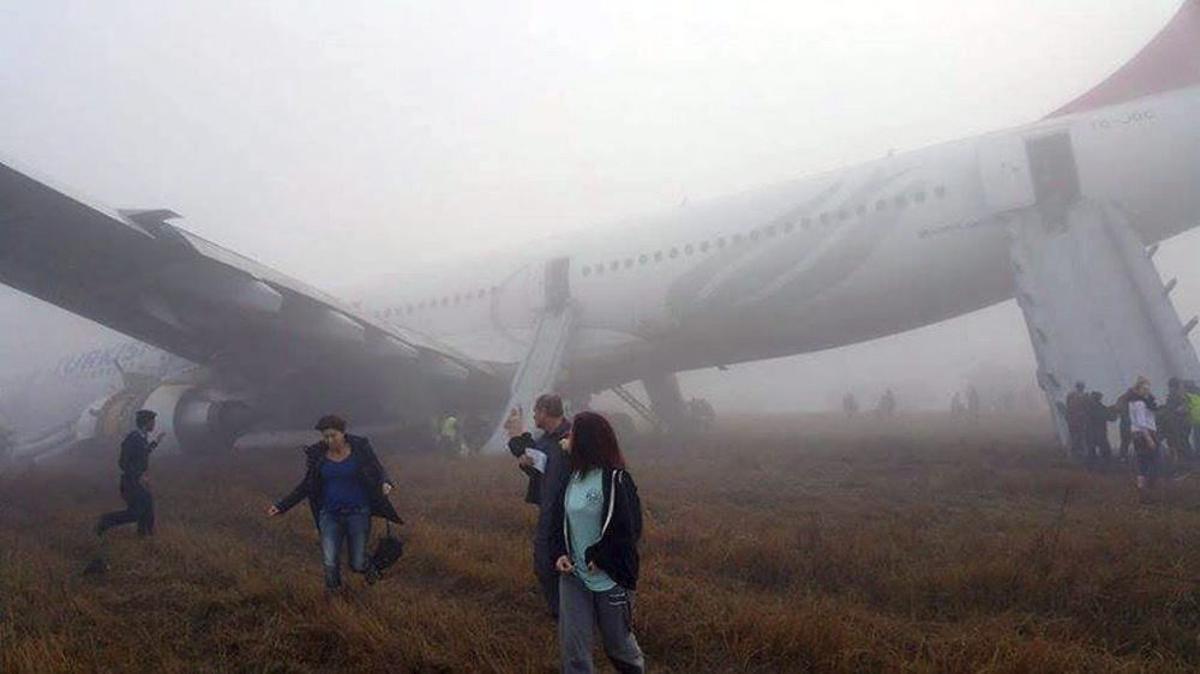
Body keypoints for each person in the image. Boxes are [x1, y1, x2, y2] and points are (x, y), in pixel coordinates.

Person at [549, 411, 645, 674]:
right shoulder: (572, 477)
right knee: (574, 652)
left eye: (574, 433)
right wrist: (559, 553)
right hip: (573, 577)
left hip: (610, 578)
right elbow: (559, 523)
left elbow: (629, 530)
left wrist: (598, 555)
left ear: (587, 440)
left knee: (618, 647)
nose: (568, 437)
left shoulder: (617, 479)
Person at [267, 414, 401, 591]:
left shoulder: (360, 449)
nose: (329, 440)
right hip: (329, 515)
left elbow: (378, 469)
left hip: (358, 512)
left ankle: (370, 568)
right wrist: (281, 506)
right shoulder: (318, 456)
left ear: (343, 433)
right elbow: (306, 486)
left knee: (357, 562)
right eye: (325, 436)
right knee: (330, 562)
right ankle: (334, 597)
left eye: (333, 435)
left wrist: (386, 482)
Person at [506, 393, 572, 618]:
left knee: (569, 567)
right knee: (544, 565)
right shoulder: (544, 441)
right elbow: (542, 470)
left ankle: (574, 615)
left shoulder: (574, 437)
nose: (534, 415)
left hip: (570, 515)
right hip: (548, 512)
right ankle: (561, 615)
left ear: (544, 410)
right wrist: (527, 465)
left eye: (536, 411)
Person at [96, 410, 164, 537]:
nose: (154, 425)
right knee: (135, 513)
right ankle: (105, 520)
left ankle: (145, 537)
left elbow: (143, 453)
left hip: (136, 480)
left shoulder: (142, 438)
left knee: (147, 507)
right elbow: (123, 462)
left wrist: (155, 443)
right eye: (152, 422)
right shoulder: (132, 439)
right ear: (146, 423)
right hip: (130, 482)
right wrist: (138, 476)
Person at [1126, 377, 1160, 498]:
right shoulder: (1140, 403)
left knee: (1142, 461)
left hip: (1137, 434)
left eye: (1148, 388)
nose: (1147, 390)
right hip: (1145, 434)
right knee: (1153, 460)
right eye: (1144, 388)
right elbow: (1141, 422)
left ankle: (1142, 487)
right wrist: (1149, 438)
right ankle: (1149, 489)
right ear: (1138, 389)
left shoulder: (1136, 401)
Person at [1164, 377, 1194, 460]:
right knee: (1180, 444)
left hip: (1181, 425)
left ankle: (1189, 465)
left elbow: (1183, 409)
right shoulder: (1177, 397)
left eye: (1171, 387)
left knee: (1182, 444)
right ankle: (1186, 465)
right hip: (1180, 424)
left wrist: (1175, 411)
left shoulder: (1178, 397)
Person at [1085, 391, 1116, 463]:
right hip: (1100, 433)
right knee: (1106, 452)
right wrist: (1114, 411)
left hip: (1090, 433)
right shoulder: (1101, 408)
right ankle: (1105, 467)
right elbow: (1112, 418)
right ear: (1099, 398)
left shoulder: (1088, 407)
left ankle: (1091, 467)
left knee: (1091, 452)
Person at [1065, 382, 1089, 458]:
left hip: (1073, 419)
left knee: (1073, 436)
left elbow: (1068, 408)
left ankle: (1072, 452)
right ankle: (1080, 452)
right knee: (1081, 436)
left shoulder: (1070, 396)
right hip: (1079, 420)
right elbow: (1087, 409)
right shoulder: (1085, 397)